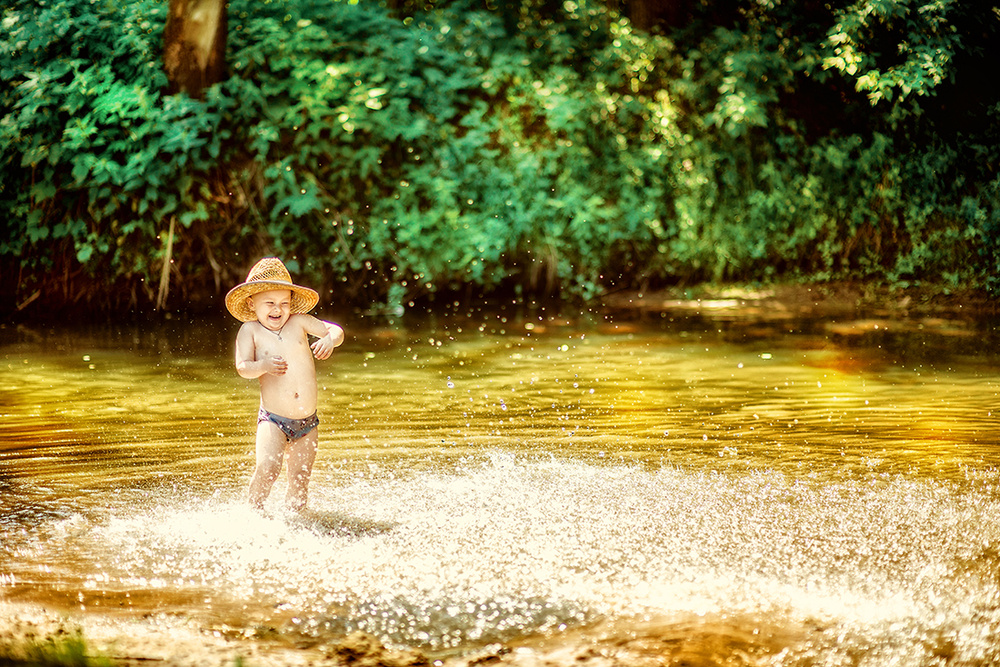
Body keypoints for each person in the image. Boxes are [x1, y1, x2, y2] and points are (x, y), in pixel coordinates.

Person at [225, 257, 345, 511]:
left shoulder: (299, 322)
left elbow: (335, 330)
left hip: (307, 422)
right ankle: (253, 512)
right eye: (269, 303)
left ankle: (294, 526)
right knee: (268, 468)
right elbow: (242, 367)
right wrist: (264, 366)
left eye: (284, 303)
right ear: (252, 303)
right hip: (273, 420)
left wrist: (330, 340)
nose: (277, 309)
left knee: (300, 479)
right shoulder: (250, 331)